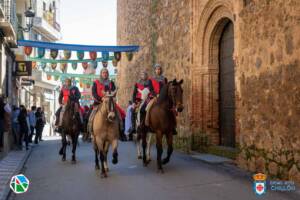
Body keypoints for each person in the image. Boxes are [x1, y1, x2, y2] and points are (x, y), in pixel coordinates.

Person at [88, 68, 123, 135]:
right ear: (101, 74)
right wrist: (100, 99)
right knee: (89, 116)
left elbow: (114, 93)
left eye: (106, 73)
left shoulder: (111, 83)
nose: (105, 74)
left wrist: (112, 97)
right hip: (98, 103)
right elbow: (94, 93)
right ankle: (89, 131)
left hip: (109, 103)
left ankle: (121, 131)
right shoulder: (96, 82)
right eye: (103, 73)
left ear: (108, 74)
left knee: (119, 114)